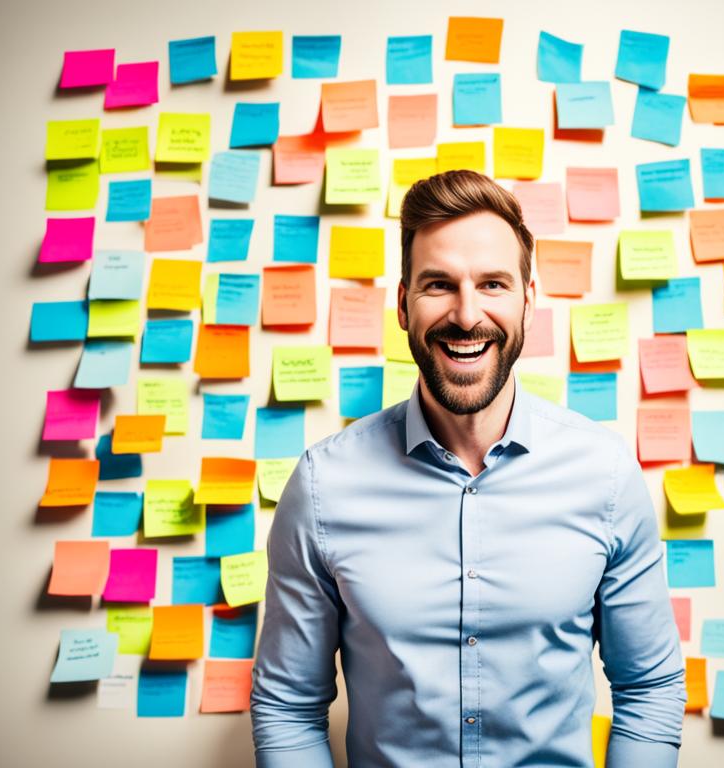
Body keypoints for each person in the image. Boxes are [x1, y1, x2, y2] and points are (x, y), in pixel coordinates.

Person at [250, 170, 686, 767]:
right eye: (438, 285)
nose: (466, 313)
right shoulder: (324, 486)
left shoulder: (605, 476)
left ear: (528, 299)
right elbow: (287, 706)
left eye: (493, 284)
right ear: (403, 304)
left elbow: (650, 689)